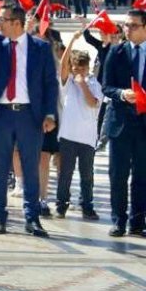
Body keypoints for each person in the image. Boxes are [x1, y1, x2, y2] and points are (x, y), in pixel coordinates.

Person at [0, 4, 58, 237]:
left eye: (2, 19)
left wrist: (50, 114)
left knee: (31, 168)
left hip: (30, 115)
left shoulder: (40, 47)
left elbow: (50, 83)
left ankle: (32, 218)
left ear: (16, 23)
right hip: (1, 113)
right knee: (0, 169)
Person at [100, 9, 146, 237]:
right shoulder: (116, 51)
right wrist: (121, 93)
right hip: (120, 124)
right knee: (117, 174)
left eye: (134, 26)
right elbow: (106, 86)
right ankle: (118, 220)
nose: (128, 30)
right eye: (126, 25)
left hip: (144, 125)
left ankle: (138, 222)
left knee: (142, 176)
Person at [55, 36, 101, 220]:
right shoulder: (67, 83)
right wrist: (72, 41)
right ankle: (61, 205)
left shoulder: (94, 84)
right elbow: (63, 66)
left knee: (87, 176)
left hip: (88, 138)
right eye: (76, 67)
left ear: (88, 67)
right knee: (65, 173)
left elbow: (92, 103)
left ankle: (87, 205)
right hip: (68, 136)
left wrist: (83, 85)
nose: (79, 70)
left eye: (83, 67)